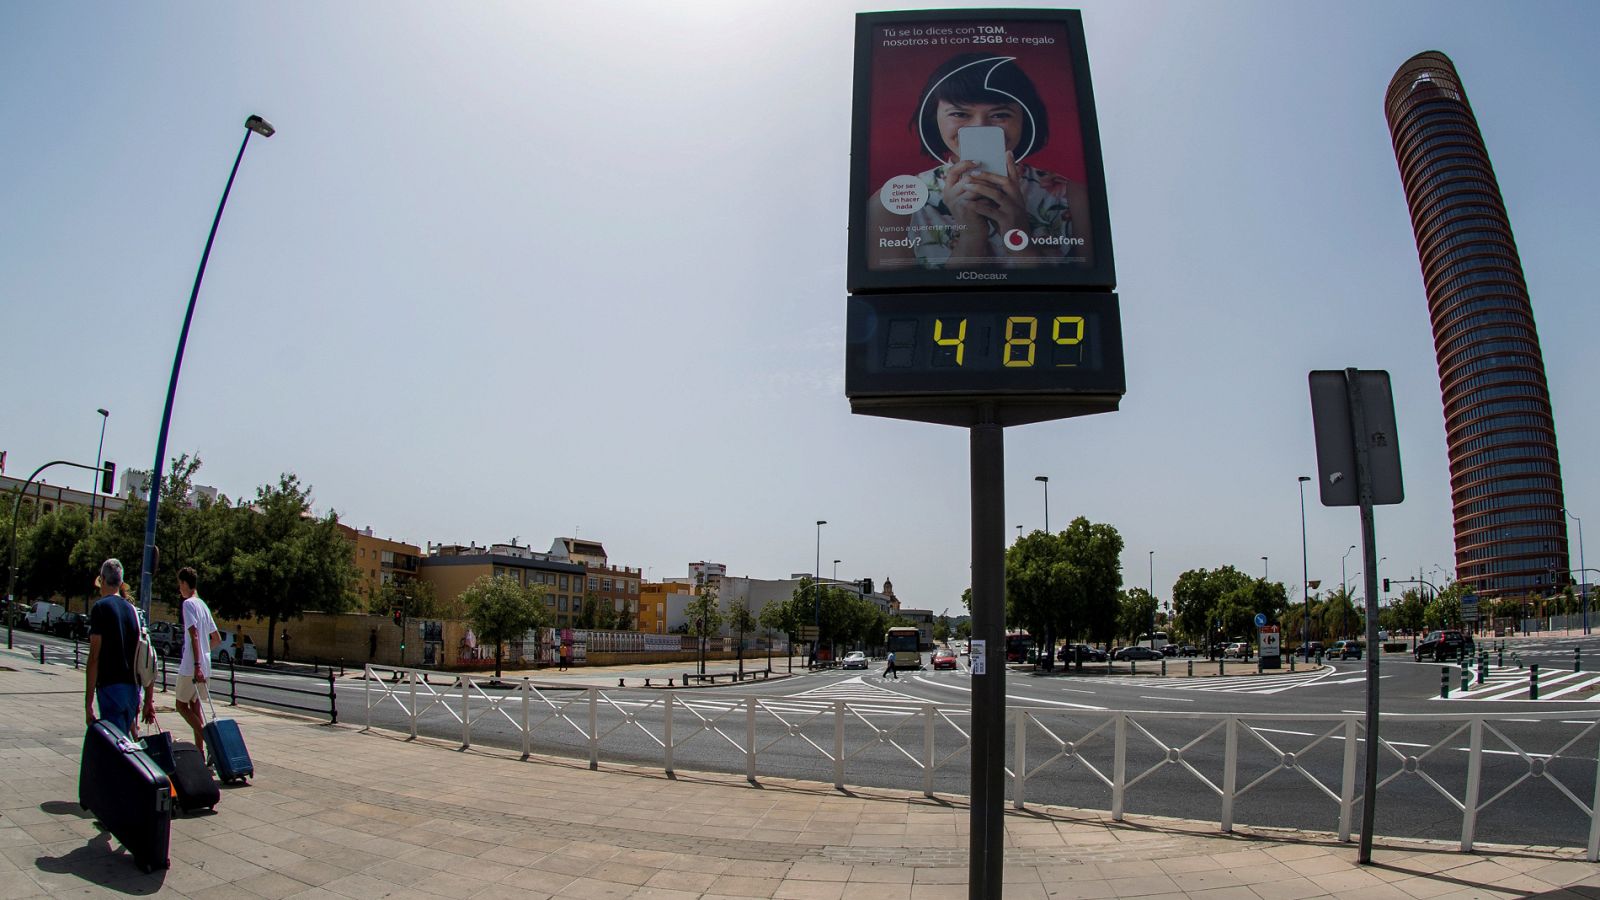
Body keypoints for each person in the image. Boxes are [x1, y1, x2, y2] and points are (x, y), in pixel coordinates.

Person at [867, 53, 1092, 271]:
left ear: (1025, 118)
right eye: (959, 114)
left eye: (1000, 114)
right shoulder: (893, 205)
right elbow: (901, 308)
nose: (980, 127)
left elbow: (1075, 301)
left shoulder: (1074, 199)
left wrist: (1017, 231)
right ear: (933, 118)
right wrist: (971, 235)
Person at [84, 559, 153, 735]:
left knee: (114, 746)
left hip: (110, 686)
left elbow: (94, 658)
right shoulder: (133, 611)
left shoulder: (100, 608)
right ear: (121, 583)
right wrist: (148, 699)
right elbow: (145, 654)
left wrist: (88, 702)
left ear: (102, 579)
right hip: (132, 689)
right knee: (125, 740)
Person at [174, 567, 220, 749]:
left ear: (185, 584)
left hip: (191, 666)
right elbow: (216, 638)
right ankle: (200, 752)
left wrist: (196, 663)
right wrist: (205, 651)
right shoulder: (203, 605)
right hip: (206, 664)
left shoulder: (188, 604)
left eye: (180, 585)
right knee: (195, 706)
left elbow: (193, 634)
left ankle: (211, 742)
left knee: (180, 705)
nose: (180, 589)